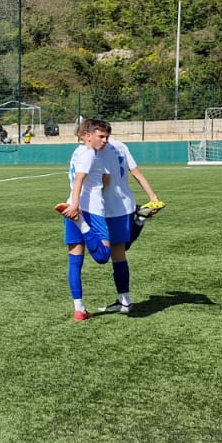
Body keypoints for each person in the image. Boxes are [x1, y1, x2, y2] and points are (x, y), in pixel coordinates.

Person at [57, 118, 134, 321]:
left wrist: (73, 204)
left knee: (75, 260)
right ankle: (82, 225)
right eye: (101, 136)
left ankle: (79, 309)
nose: (105, 140)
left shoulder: (78, 152)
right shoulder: (91, 154)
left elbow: (88, 179)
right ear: (87, 135)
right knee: (102, 256)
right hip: (89, 211)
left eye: (106, 136)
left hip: (72, 208)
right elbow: (81, 180)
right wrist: (76, 208)